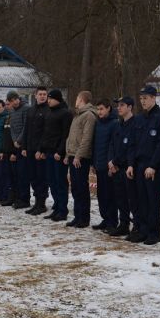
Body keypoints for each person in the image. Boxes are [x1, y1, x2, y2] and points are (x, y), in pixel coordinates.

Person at [127, 86, 160, 245]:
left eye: (146, 98)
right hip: (139, 165)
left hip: (153, 167)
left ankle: (154, 232)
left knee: (153, 201)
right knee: (140, 200)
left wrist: (153, 165)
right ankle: (142, 230)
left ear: (154, 98)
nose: (143, 101)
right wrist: (130, 164)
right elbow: (132, 144)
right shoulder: (138, 119)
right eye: (141, 98)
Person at [65, 91, 97, 228]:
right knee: (76, 188)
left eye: (77, 98)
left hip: (81, 157)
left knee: (82, 188)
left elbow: (86, 138)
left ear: (82, 99)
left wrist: (78, 155)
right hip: (73, 155)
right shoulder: (77, 115)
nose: (76, 100)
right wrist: (68, 154)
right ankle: (77, 216)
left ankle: (84, 218)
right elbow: (71, 136)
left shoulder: (89, 115)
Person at [106, 97, 137, 237]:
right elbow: (112, 144)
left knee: (132, 199)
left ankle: (137, 226)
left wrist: (117, 162)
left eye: (122, 105)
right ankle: (123, 224)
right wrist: (111, 162)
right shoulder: (118, 124)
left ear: (130, 107)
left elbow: (130, 147)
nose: (119, 108)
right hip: (116, 167)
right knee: (120, 199)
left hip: (126, 167)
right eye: (118, 105)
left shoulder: (135, 124)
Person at [41, 89, 73, 222]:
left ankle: (63, 210)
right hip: (48, 151)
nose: (48, 100)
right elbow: (46, 133)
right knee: (51, 181)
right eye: (48, 98)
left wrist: (60, 152)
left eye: (51, 98)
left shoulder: (65, 113)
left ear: (58, 99)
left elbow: (65, 135)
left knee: (60, 182)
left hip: (58, 153)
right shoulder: (49, 112)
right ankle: (56, 207)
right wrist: (42, 149)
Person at [91, 99, 118, 230]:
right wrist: (93, 163)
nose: (99, 112)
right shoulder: (98, 124)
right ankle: (105, 219)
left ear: (108, 109)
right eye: (98, 109)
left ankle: (112, 221)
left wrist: (110, 163)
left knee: (110, 195)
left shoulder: (114, 124)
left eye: (101, 109)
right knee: (101, 195)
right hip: (98, 164)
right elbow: (95, 144)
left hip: (108, 166)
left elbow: (112, 146)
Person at [23, 87, 50, 214]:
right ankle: (36, 203)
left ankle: (41, 203)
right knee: (32, 176)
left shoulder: (48, 110)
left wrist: (41, 150)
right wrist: (24, 147)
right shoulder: (31, 110)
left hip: (41, 151)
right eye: (40, 94)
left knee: (41, 177)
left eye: (45, 94)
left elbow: (46, 132)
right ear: (35, 95)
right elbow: (27, 130)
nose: (43, 96)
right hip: (30, 149)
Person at [5, 91, 30, 208]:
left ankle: (25, 199)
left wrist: (19, 140)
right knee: (19, 174)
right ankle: (19, 198)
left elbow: (26, 127)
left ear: (17, 99)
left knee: (24, 174)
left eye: (14, 100)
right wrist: (15, 141)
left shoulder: (26, 108)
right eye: (10, 102)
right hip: (17, 146)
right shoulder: (12, 111)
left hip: (24, 145)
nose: (13, 103)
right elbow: (12, 129)